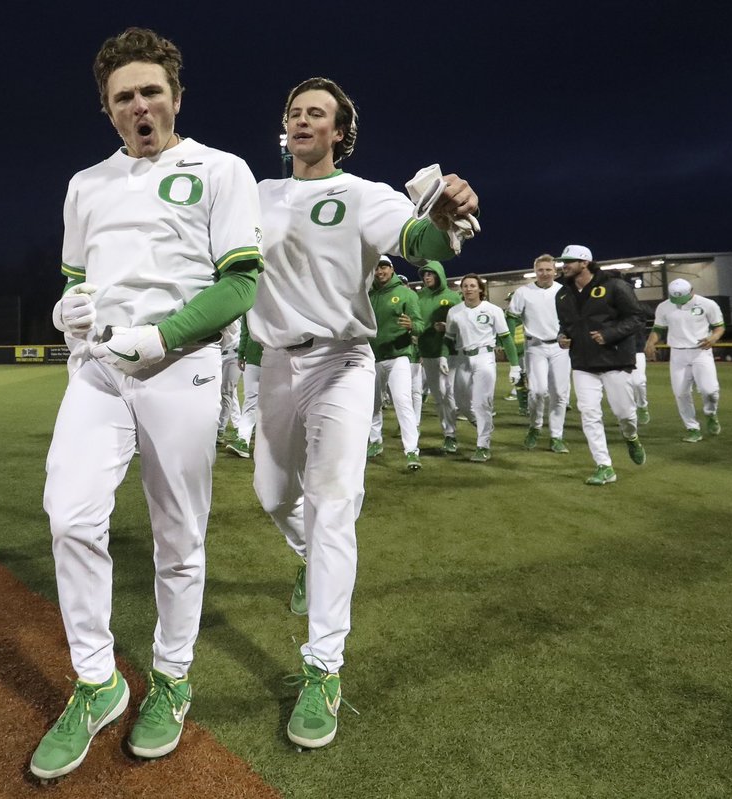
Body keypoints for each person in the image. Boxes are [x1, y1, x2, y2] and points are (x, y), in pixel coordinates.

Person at [31, 28, 264, 780]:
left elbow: (239, 284)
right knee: (69, 514)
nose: (140, 105)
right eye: (124, 96)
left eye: (151, 91)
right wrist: (68, 310)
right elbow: (74, 280)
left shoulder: (222, 170)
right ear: (107, 109)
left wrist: (161, 337)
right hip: (98, 372)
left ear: (176, 97)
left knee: (179, 535)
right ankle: (98, 682)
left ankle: (170, 677)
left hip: (182, 368)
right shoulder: (84, 184)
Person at [248, 76, 478, 750]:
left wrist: (445, 216)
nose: (301, 120)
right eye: (294, 111)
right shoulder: (256, 194)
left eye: (316, 113)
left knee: (334, 502)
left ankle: (324, 667)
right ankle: (306, 559)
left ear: (340, 133)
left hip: (343, 362)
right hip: (275, 362)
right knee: (271, 494)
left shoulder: (363, 194)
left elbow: (421, 243)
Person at [554, 244, 647, 485]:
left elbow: (637, 317)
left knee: (624, 414)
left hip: (614, 358)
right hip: (583, 362)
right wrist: (562, 337)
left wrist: (610, 334)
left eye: (569, 262)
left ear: (584, 263)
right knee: (589, 413)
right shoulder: (562, 293)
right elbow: (566, 325)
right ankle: (604, 466)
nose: (564, 266)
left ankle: (631, 436)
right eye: (563, 262)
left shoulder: (615, 285)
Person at [444, 274, 518, 461]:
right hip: (462, 359)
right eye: (465, 286)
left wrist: (515, 366)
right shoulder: (454, 311)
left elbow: (507, 338)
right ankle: (482, 423)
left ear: (480, 289)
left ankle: (483, 446)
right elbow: (449, 339)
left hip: (485, 358)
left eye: (472, 285)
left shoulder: (493, 310)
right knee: (460, 403)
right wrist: (444, 357)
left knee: (481, 403)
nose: (468, 289)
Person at [644, 278, 725, 441]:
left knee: (710, 391)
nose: (678, 302)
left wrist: (714, 337)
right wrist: (650, 343)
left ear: (691, 291)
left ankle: (710, 414)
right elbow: (658, 329)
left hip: (701, 352)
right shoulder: (664, 306)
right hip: (678, 354)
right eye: (675, 298)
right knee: (681, 393)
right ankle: (692, 428)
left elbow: (719, 326)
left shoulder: (708, 304)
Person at [506, 254, 571, 453]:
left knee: (560, 394)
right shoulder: (523, 292)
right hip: (534, 346)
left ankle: (556, 436)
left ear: (555, 271)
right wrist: (509, 342)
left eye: (548, 270)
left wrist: (570, 335)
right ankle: (535, 427)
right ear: (535, 271)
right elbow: (511, 318)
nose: (544, 273)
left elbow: (574, 318)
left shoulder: (564, 291)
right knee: (538, 391)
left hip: (560, 348)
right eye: (540, 270)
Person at [367, 255, 425, 470]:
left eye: (383, 267)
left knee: (403, 402)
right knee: (372, 405)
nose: (380, 272)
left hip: (398, 355)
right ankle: (375, 442)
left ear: (391, 269)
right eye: (376, 268)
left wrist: (412, 326)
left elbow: (420, 324)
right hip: (373, 357)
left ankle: (411, 451)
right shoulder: (368, 294)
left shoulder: (405, 294)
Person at [416, 261, 461, 453]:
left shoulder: (452, 297)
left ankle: (452, 433)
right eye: (425, 275)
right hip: (427, 352)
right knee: (439, 396)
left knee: (447, 393)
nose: (427, 277)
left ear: (439, 275)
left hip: (450, 353)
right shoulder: (419, 297)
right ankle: (448, 433)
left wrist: (448, 327)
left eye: (431, 274)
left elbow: (462, 324)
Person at [231, 313, 263, 458]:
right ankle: (244, 440)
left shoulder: (251, 300)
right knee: (254, 399)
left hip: (262, 356)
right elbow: (245, 330)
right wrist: (241, 354)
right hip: (259, 357)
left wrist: (242, 353)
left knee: (254, 400)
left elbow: (245, 331)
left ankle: (245, 439)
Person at [218, 319, 244, 449]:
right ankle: (238, 424)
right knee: (230, 393)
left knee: (226, 392)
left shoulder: (233, 314)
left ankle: (220, 430)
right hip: (220, 355)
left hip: (234, 354)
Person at [630, 326, 651, 424]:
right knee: (621, 385)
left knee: (638, 382)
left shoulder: (637, 312)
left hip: (636, 349)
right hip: (616, 351)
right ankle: (627, 413)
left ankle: (642, 405)